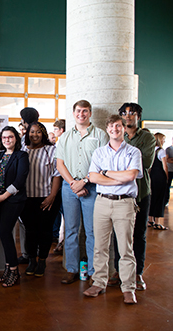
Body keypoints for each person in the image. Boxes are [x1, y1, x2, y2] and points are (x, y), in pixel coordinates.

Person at [84, 114, 142, 305]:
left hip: (124, 203)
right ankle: (99, 282)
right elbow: (93, 177)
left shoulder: (133, 152)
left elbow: (132, 175)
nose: (114, 129)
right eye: (111, 127)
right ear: (107, 129)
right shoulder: (99, 153)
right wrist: (119, 178)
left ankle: (128, 288)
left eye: (118, 126)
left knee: (125, 249)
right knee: (100, 246)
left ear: (124, 128)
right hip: (102, 202)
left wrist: (106, 173)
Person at [56, 100, 109, 284]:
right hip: (69, 188)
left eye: (85, 111)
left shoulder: (100, 135)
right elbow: (59, 164)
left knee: (92, 231)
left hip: (92, 188)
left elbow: (104, 164)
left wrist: (84, 182)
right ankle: (71, 269)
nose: (81, 114)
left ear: (90, 113)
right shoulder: (64, 137)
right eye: (78, 111)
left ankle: (95, 271)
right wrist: (73, 183)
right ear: (73, 113)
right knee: (71, 230)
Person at [109, 102, 155, 291]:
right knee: (119, 235)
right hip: (120, 193)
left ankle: (137, 273)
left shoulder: (147, 137)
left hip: (141, 193)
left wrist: (121, 167)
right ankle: (120, 270)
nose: (128, 116)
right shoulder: (117, 135)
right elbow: (110, 162)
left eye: (132, 113)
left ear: (138, 116)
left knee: (139, 235)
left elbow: (144, 163)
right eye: (124, 113)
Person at [0, 126, 29, 286]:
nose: (7, 140)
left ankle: (14, 270)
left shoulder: (22, 156)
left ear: (16, 139)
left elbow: (19, 180)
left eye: (10, 137)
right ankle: (7, 266)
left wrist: (3, 196)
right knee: (4, 234)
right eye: (4, 138)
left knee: (5, 233)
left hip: (13, 200)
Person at [20, 122, 61, 277]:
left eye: (38, 132)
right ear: (27, 134)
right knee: (30, 231)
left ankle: (42, 260)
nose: (35, 135)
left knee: (45, 231)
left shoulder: (51, 150)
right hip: (26, 198)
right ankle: (31, 260)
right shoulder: (22, 150)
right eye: (32, 132)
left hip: (46, 198)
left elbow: (56, 174)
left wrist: (52, 196)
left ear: (43, 133)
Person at [17, 107, 39, 264]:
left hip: (29, 189)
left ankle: (29, 254)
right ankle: (30, 254)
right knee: (31, 225)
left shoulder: (26, 140)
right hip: (31, 188)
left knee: (28, 225)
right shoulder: (39, 137)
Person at [148, 132, 169, 230]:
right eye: (163, 139)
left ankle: (150, 220)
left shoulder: (151, 150)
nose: (164, 141)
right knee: (160, 198)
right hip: (159, 176)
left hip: (151, 176)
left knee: (152, 197)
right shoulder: (161, 151)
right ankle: (157, 222)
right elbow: (165, 166)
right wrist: (167, 177)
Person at [52, 118, 66, 252]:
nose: (54, 131)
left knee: (63, 213)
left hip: (63, 181)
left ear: (61, 130)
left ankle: (60, 240)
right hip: (60, 181)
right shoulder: (57, 143)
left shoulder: (63, 142)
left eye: (56, 129)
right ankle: (55, 236)